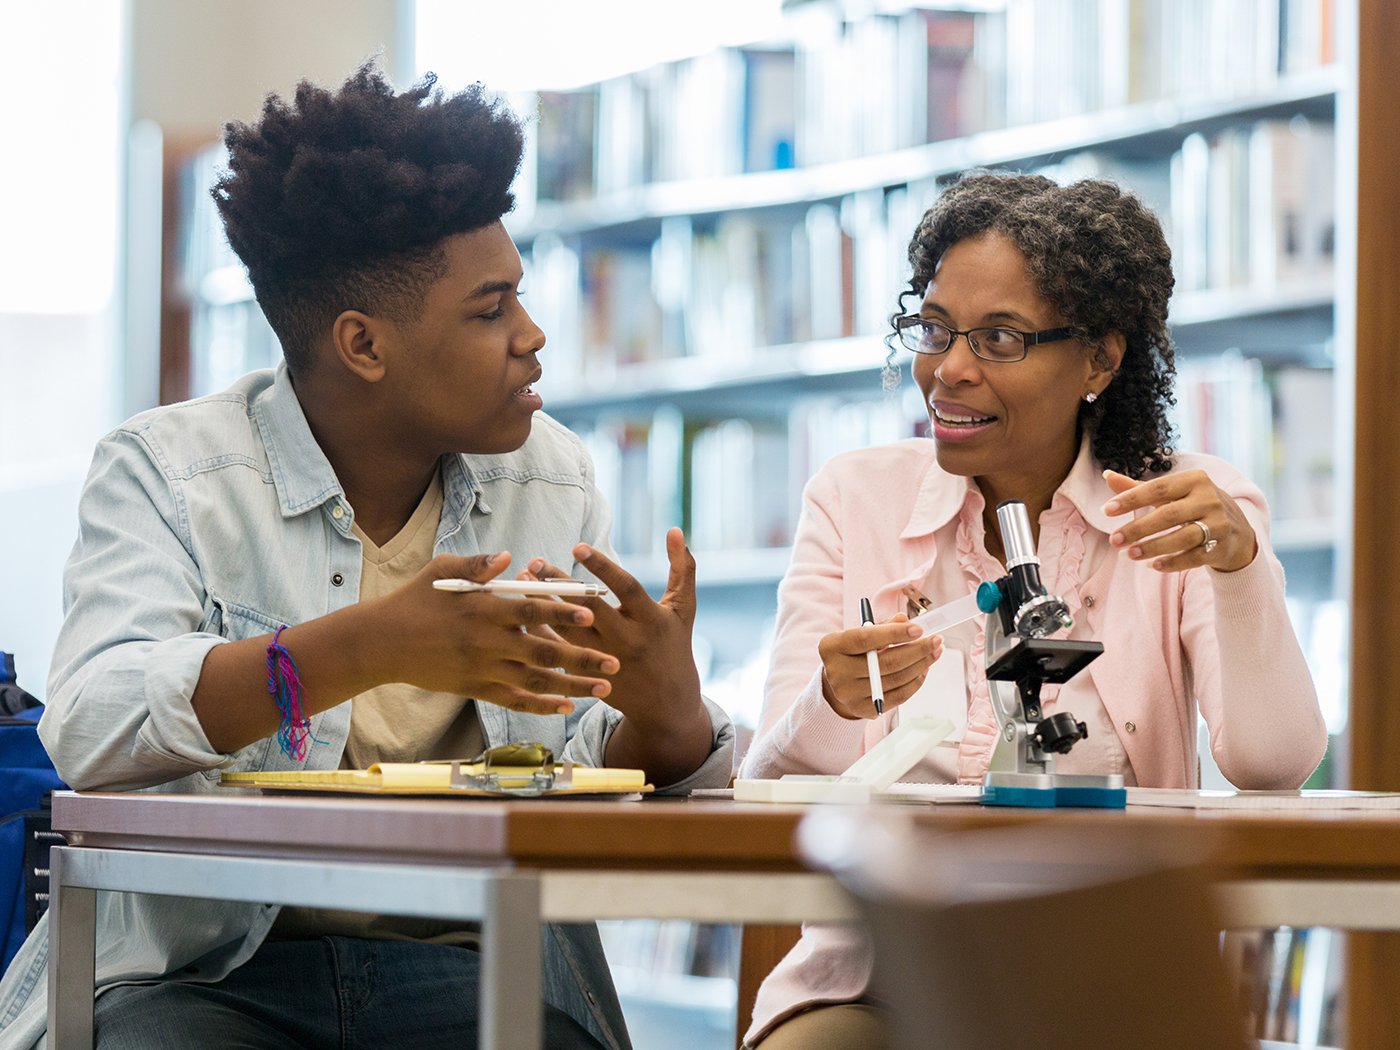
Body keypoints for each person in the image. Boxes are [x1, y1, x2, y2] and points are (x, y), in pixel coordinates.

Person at [0, 63, 734, 1050]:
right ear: (362, 344)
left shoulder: (547, 479)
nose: (532, 334)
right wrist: (366, 646)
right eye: (489, 309)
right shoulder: (169, 472)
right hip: (211, 976)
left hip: (469, 969)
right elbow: (91, 722)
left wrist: (666, 712)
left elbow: (581, 761)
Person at [738, 170, 1327, 1049]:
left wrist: (1239, 571)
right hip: (875, 978)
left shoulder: (1186, 509)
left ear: (1099, 358)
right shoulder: (851, 498)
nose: (949, 369)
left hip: (1109, 977)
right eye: (934, 329)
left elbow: (1273, 764)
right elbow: (770, 795)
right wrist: (836, 703)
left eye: (1001, 338)